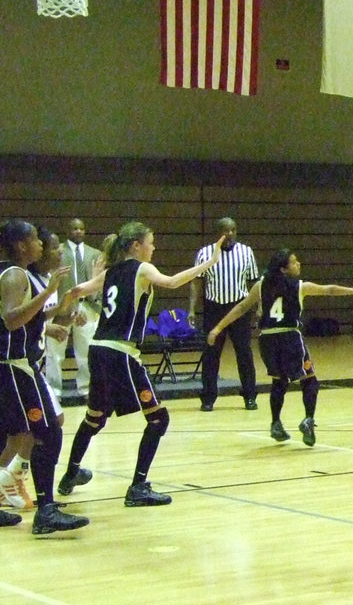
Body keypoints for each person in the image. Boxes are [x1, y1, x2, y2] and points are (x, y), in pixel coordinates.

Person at [58, 222, 224, 507]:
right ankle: (138, 487)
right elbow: (172, 282)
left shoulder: (110, 272)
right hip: (120, 353)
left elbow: (75, 291)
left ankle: (70, 474)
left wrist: (65, 316)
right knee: (158, 418)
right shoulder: (141, 269)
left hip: (98, 350)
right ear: (136, 245)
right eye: (151, 242)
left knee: (94, 418)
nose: (154, 247)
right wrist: (209, 262)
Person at [0, 219, 88, 534]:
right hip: (10, 364)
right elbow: (10, 319)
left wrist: (55, 309)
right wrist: (47, 291)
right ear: (22, 245)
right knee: (48, 431)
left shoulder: (11, 272)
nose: (41, 246)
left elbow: (22, 316)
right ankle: (46, 510)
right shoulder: (17, 274)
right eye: (35, 240)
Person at [207, 248, 353, 446]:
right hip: (289, 337)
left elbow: (241, 307)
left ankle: (276, 423)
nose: (299, 264)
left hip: (267, 339)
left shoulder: (261, 285)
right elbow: (329, 289)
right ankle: (308, 420)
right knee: (310, 380)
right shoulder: (299, 286)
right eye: (294, 262)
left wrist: (217, 328)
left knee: (280, 381)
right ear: (284, 269)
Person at [189, 217, 260, 413]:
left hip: (240, 308)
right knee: (211, 354)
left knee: (244, 353)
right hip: (214, 308)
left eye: (233, 230)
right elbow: (196, 282)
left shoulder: (246, 252)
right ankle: (208, 398)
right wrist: (191, 309)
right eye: (226, 230)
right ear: (218, 233)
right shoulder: (205, 253)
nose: (230, 234)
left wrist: (258, 307)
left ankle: (250, 396)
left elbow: (255, 283)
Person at [54, 218, 102, 396]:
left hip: (87, 306)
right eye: (74, 228)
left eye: (81, 228)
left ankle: (86, 389)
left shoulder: (95, 253)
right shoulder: (58, 251)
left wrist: (98, 303)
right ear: (67, 230)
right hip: (63, 306)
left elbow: (100, 281)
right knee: (56, 351)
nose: (78, 232)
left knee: (86, 350)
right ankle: (54, 391)